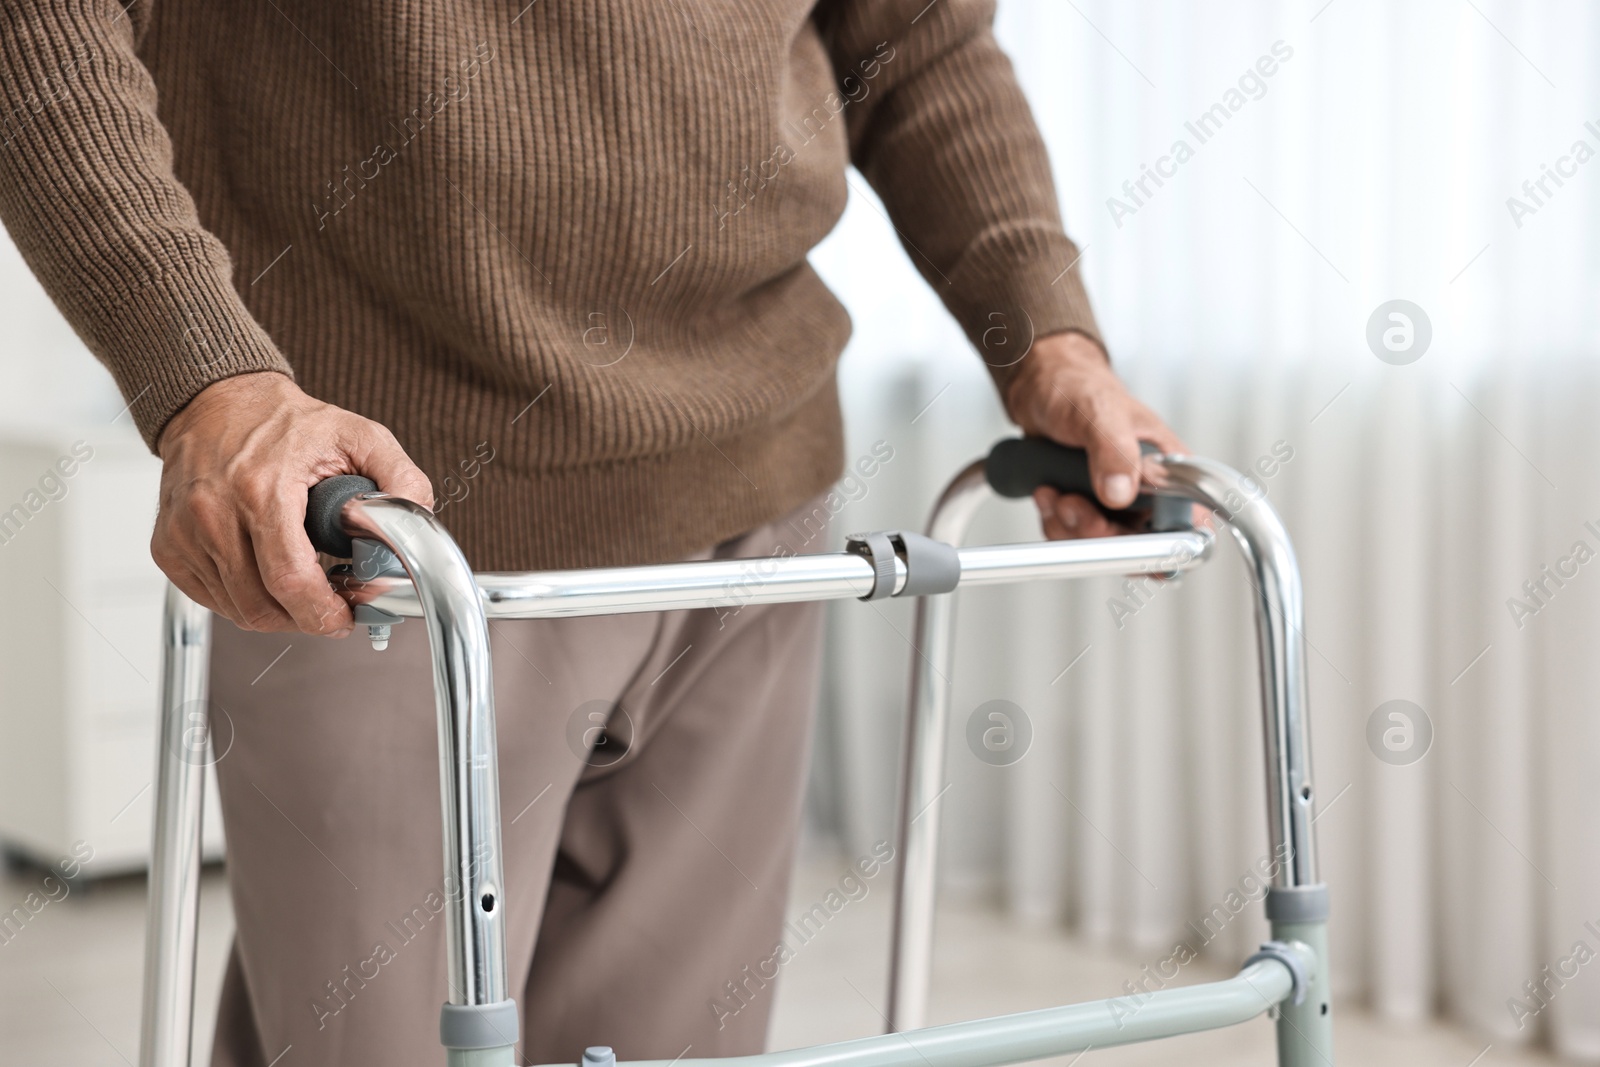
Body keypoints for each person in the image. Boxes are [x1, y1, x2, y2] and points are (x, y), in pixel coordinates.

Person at [0, 2, 1185, 1064]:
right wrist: (208, 379)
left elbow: (914, 33)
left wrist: (1049, 342)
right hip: (382, 531)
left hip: (751, 501)